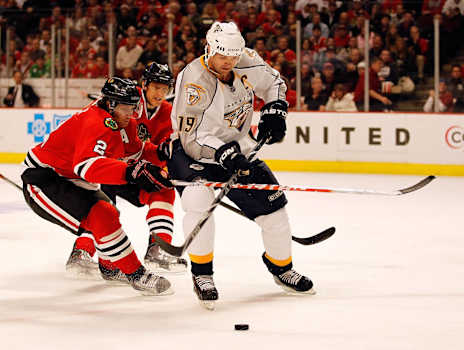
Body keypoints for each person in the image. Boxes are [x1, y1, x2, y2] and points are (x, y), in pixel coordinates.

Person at [167, 22, 315, 309]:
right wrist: (224, 153)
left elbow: (274, 83)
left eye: (233, 57)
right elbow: (192, 137)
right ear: (208, 49)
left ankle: (281, 268)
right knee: (199, 205)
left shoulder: (244, 59)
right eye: (223, 57)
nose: (229, 63)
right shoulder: (194, 80)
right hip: (194, 153)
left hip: (239, 145)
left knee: (274, 211)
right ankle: (202, 274)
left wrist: (275, 109)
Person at [21, 77, 173, 296]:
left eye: (134, 106)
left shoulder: (124, 121)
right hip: (44, 179)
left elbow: (136, 152)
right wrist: (131, 172)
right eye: (126, 107)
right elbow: (87, 167)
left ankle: (111, 267)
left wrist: (160, 153)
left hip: (72, 177)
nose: (132, 112)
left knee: (108, 215)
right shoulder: (96, 122)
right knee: (103, 214)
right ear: (111, 104)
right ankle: (136, 275)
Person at [67, 63, 187, 277]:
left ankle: (158, 248)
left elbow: (160, 149)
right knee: (103, 208)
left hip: (136, 168)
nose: (160, 94)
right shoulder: (127, 99)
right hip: (108, 167)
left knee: (164, 190)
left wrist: (166, 167)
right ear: (145, 84)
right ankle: (82, 252)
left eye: (165, 88)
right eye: (156, 87)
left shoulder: (169, 112)